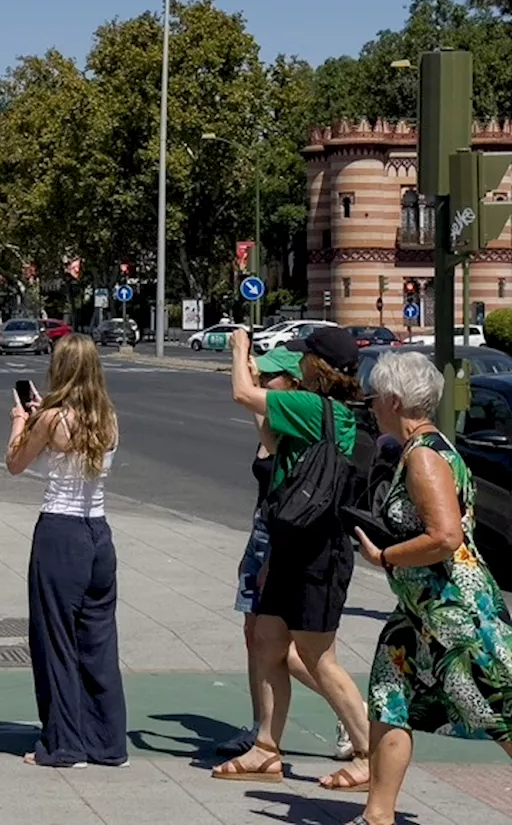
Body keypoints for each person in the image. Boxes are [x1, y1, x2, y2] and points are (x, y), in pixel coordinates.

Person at [348, 351, 512, 825]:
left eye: (376, 397)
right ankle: (377, 816)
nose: (371, 405)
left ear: (395, 401)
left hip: (453, 610)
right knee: (388, 697)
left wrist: (384, 556)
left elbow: (444, 537)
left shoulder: (424, 457)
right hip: (419, 613)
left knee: (499, 710)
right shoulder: (427, 447)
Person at [212, 326, 371, 790]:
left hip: (317, 550)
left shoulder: (311, 407)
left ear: (317, 367)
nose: (297, 364)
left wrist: (240, 349)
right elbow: (272, 439)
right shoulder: (322, 413)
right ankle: (266, 747)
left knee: (318, 656)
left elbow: (244, 394)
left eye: (304, 358)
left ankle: (368, 752)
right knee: (266, 639)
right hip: (292, 542)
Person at [5, 334, 128, 767]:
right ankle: (108, 743)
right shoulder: (108, 416)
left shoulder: (52, 418)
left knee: (55, 639)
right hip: (99, 533)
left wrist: (21, 421)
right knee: (98, 641)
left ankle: (64, 744)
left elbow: (15, 463)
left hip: (60, 532)